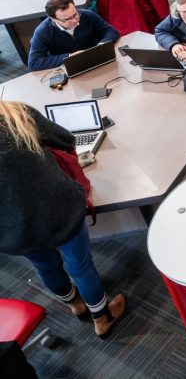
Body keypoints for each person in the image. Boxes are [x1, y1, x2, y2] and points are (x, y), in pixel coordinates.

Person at [0, 101, 128, 338]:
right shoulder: (14, 113)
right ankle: (102, 318)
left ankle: (76, 305)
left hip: (12, 228)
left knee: (46, 266)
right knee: (80, 266)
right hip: (57, 208)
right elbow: (65, 139)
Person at [27, 0, 120, 70]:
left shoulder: (87, 15)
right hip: (70, 68)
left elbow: (111, 31)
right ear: (53, 19)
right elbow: (34, 62)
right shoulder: (42, 31)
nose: (75, 20)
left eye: (75, 14)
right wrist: (69, 57)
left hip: (98, 59)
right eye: (67, 19)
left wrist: (101, 46)